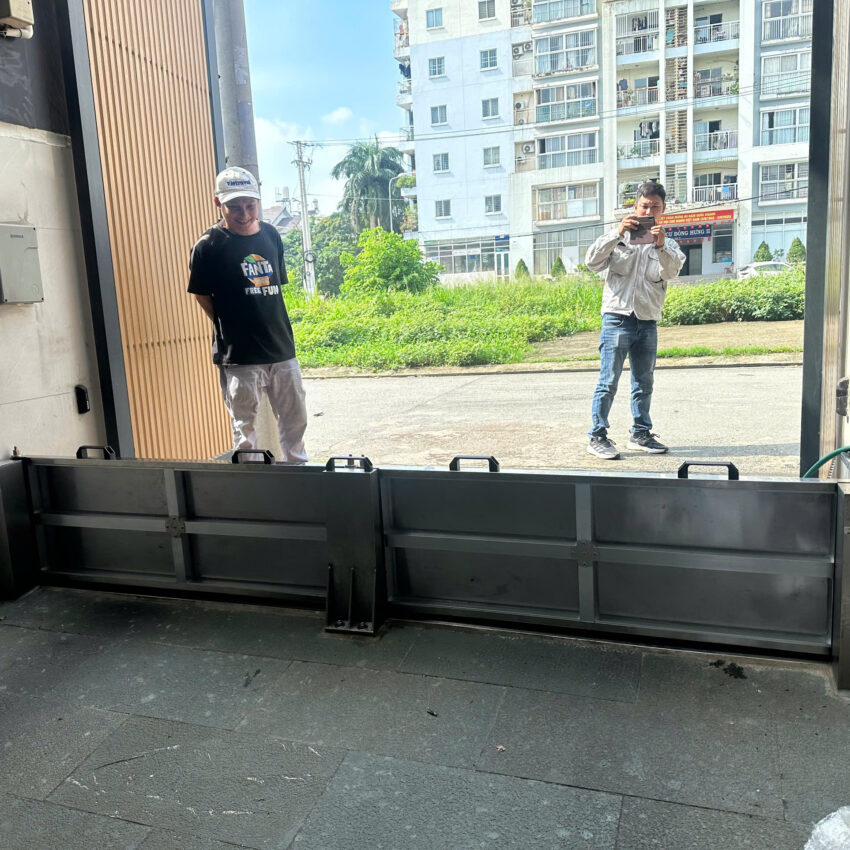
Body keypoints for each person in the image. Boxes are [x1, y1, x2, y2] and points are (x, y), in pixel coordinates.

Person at [188, 166, 308, 462]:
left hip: (282, 349)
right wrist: (229, 322)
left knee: (296, 422)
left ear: (257, 201)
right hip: (239, 356)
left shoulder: (271, 235)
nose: (243, 214)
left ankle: (300, 476)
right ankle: (250, 484)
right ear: (218, 203)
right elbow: (202, 295)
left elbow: (273, 291)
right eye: (234, 207)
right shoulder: (207, 246)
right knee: (245, 434)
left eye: (250, 205)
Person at [584, 181, 685, 460]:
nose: (649, 211)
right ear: (635, 206)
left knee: (644, 382)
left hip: (647, 321)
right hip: (617, 318)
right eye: (644, 206)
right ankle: (597, 436)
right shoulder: (619, 238)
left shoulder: (669, 244)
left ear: (663, 209)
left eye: (655, 206)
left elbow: (672, 272)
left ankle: (640, 434)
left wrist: (661, 246)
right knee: (608, 381)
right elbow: (592, 262)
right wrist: (617, 233)